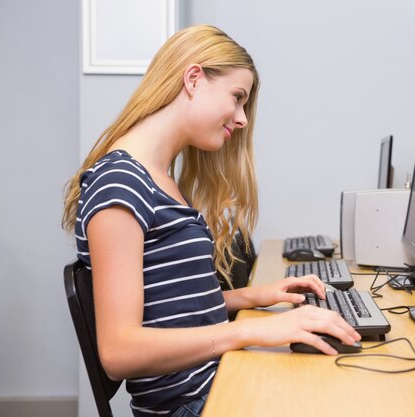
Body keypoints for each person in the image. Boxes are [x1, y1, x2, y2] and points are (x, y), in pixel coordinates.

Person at [62, 25, 360, 417]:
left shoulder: (159, 176)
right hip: (192, 405)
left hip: (213, 384)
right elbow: (119, 352)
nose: (242, 120)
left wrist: (253, 297)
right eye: (237, 98)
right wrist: (248, 329)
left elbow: (171, 312)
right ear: (194, 79)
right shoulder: (120, 182)